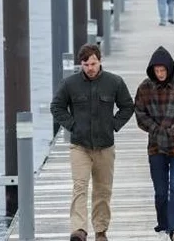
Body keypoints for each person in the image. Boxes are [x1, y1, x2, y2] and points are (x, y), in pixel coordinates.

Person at [50, 43, 135, 241]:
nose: (90, 68)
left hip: (105, 146)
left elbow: (127, 106)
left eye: (93, 63)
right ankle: (79, 230)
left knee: (103, 190)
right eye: (86, 64)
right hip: (80, 145)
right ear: (81, 64)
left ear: (100, 61)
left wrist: (114, 124)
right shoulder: (69, 84)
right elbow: (56, 107)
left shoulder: (114, 82)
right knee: (79, 186)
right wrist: (72, 125)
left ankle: (101, 230)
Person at [134, 46, 174, 241]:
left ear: (169, 69)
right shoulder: (145, 88)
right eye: (157, 71)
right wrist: (156, 130)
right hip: (156, 147)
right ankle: (164, 226)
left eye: (163, 70)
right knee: (161, 192)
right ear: (152, 71)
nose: (160, 74)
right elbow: (140, 114)